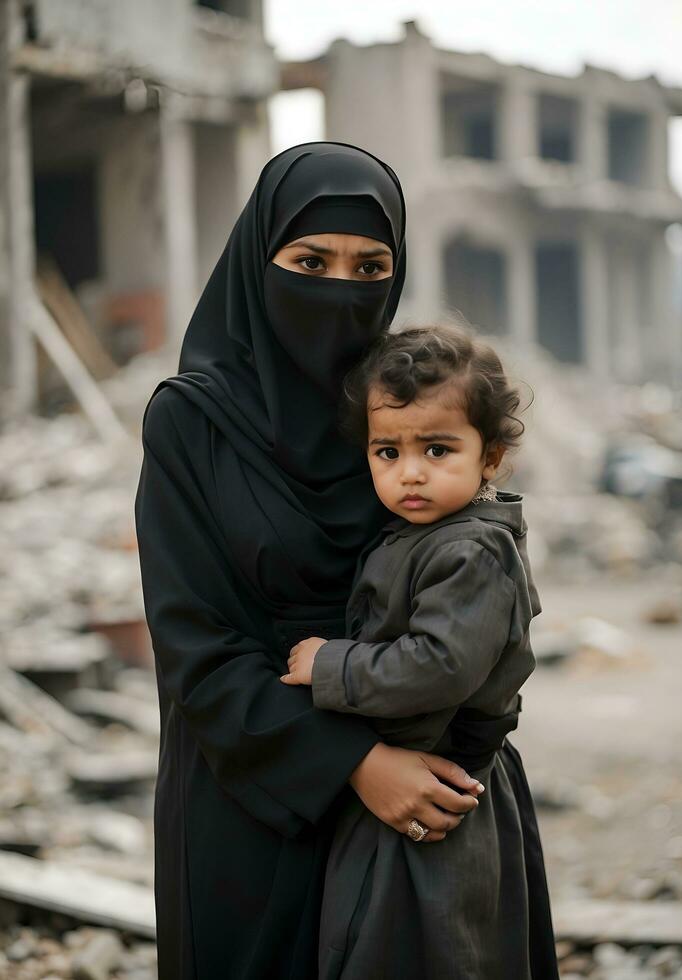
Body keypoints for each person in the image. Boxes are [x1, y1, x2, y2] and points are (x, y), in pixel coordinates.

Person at [134, 143, 490, 980]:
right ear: (260, 263)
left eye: (370, 266)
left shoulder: (404, 417)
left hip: (418, 796)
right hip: (250, 792)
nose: (339, 289)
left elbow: (473, 585)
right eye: (309, 261)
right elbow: (195, 646)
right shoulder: (194, 423)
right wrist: (355, 766)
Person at [282, 324, 560, 979]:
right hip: (409, 782)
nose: (409, 472)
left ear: (489, 458)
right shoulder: (422, 534)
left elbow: (437, 666)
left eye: (437, 449)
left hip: (443, 797)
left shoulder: (469, 552)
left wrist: (330, 665)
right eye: (387, 452)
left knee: (433, 950)